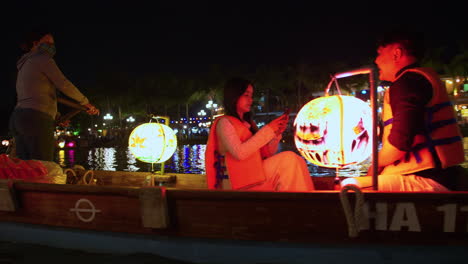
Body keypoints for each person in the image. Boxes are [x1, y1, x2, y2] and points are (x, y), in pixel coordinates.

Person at [343, 29, 466, 191]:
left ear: (396, 54)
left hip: (429, 179)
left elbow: (399, 144)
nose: (376, 60)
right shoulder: (417, 80)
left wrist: (375, 165)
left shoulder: (406, 84)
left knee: (348, 186)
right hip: (443, 176)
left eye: (379, 54)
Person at [205, 77, 315, 192]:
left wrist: (276, 134)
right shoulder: (224, 123)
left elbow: (267, 153)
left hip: (252, 175)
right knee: (289, 160)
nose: (251, 100)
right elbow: (239, 153)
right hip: (236, 181)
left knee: (298, 160)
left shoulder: (248, 124)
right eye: (246, 95)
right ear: (234, 96)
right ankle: (296, 204)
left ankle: (305, 201)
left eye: (251, 96)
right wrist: (268, 130)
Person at [9, 27, 100, 161]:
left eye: (53, 43)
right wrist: (85, 102)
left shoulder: (24, 64)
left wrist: (55, 116)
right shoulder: (41, 58)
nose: (51, 46)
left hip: (19, 118)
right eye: (48, 42)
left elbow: (37, 94)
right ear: (35, 43)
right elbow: (63, 84)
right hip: (35, 119)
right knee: (42, 165)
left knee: (25, 166)